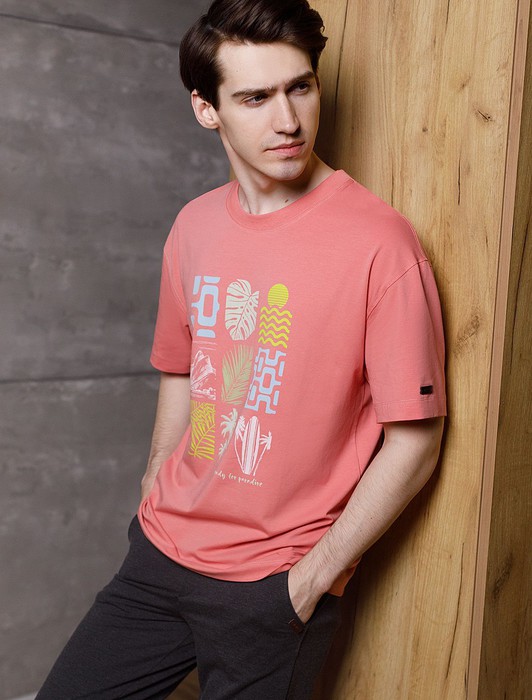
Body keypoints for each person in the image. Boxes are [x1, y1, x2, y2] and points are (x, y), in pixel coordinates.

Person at [37, 0, 446, 698]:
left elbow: (416, 440)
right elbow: (180, 367)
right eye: (255, 98)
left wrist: (311, 580)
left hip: (271, 588)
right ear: (208, 109)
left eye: (300, 87)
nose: (287, 121)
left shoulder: (381, 243)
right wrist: (156, 477)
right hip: (160, 556)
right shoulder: (193, 226)